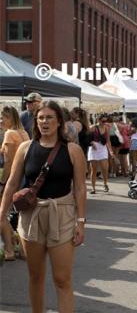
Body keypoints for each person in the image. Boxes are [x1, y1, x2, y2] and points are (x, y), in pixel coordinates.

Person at [0, 100, 86, 313]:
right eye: (40, 118)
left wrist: (81, 222)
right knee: (36, 277)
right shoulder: (25, 148)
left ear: (59, 122)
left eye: (49, 117)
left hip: (62, 215)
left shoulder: (73, 150)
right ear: (35, 122)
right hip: (31, 216)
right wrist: (1, 213)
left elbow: (80, 189)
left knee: (62, 279)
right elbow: (12, 182)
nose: (44, 122)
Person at [0, 106, 30, 261]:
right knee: (15, 215)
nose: (1, 121)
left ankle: (10, 250)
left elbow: (9, 162)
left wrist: (3, 182)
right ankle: (21, 248)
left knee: (1, 214)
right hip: (24, 179)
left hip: (13, 179)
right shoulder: (23, 132)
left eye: (3, 117)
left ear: (10, 118)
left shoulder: (10, 134)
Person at [87, 114, 113, 194]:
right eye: (103, 121)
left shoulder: (106, 128)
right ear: (98, 120)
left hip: (102, 147)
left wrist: (111, 151)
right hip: (94, 147)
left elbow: (108, 140)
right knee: (93, 169)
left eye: (105, 121)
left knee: (105, 168)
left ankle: (105, 184)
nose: (104, 122)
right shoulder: (93, 127)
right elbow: (86, 138)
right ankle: (93, 188)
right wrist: (91, 143)